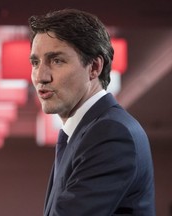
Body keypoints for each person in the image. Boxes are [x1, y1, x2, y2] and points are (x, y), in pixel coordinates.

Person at [28, 8, 156, 216]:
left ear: (94, 67)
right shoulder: (85, 132)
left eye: (57, 60)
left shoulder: (110, 132)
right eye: (35, 62)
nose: (41, 76)